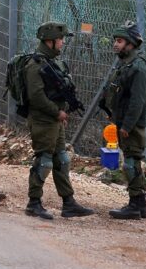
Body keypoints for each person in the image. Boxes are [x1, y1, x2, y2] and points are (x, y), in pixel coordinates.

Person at [24, 21, 94, 220]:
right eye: (60, 39)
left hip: (55, 119)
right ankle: (34, 202)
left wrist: (61, 111)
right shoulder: (35, 65)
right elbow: (36, 96)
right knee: (44, 160)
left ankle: (68, 202)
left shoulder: (54, 63)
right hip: (43, 120)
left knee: (61, 160)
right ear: (50, 41)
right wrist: (57, 113)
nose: (63, 43)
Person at [105, 21, 146, 220]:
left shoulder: (138, 67)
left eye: (120, 41)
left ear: (130, 44)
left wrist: (127, 126)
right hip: (123, 121)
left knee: (130, 164)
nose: (116, 44)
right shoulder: (126, 64)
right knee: (133, 163)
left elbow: (138, 101)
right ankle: (141, 206)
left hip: (132, 125)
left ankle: (134, 206)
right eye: (115, 40)